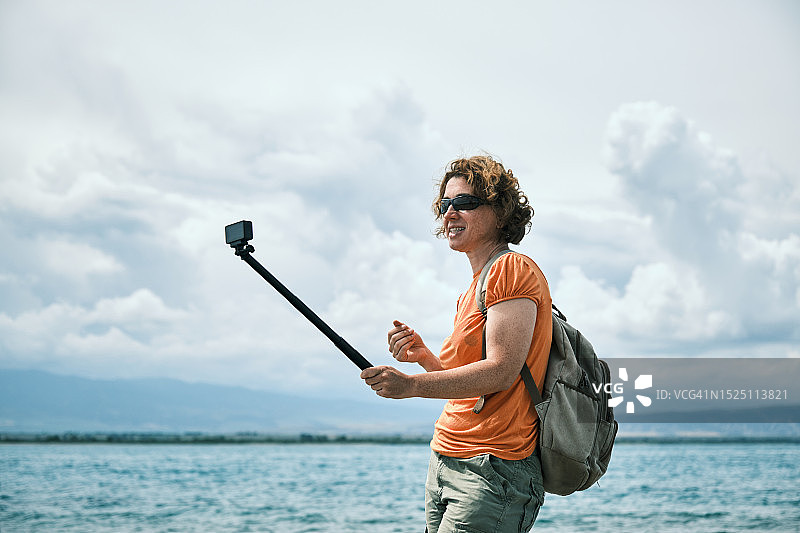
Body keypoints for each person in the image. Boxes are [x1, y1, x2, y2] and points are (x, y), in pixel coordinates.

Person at [360, 155, 552, 532]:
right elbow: (466, 386)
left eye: (464, 202)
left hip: (492, 468)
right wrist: (424, 357)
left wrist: (411, 385)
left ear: (500, 211)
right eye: (445, 205)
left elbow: (501, 371)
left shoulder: (511, 269)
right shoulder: (473, 289)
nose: (450, 213)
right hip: (446, 459)